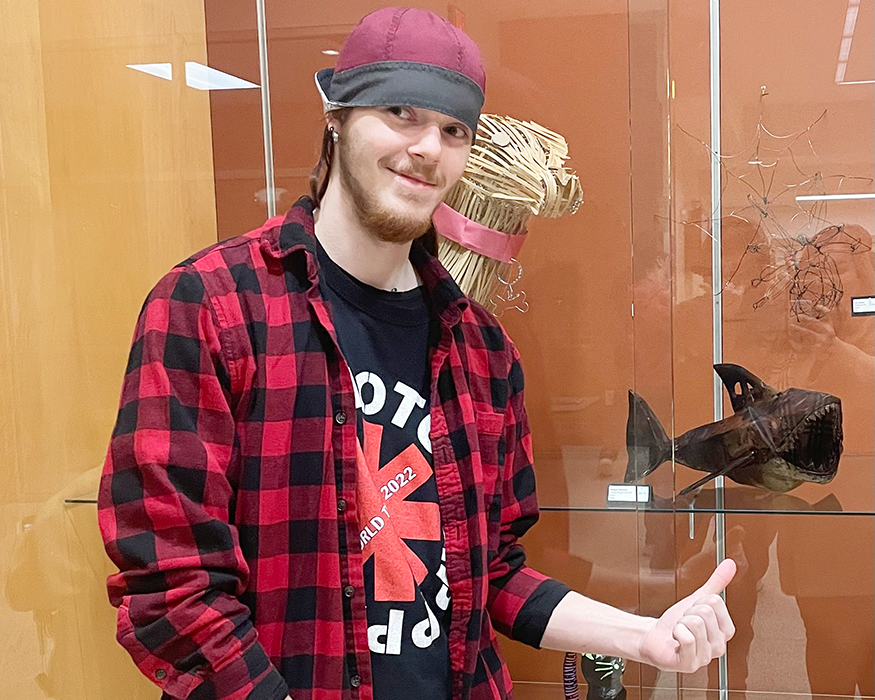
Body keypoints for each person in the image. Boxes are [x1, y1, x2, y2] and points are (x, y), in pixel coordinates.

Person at [97, 8, 736, 700]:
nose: (428, 147)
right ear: (336, 118)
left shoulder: (482, 350)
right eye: (400, 112)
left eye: (453, 129)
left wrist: (638, 635)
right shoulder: (213, 305)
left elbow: (491, 571)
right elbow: (172, 584)